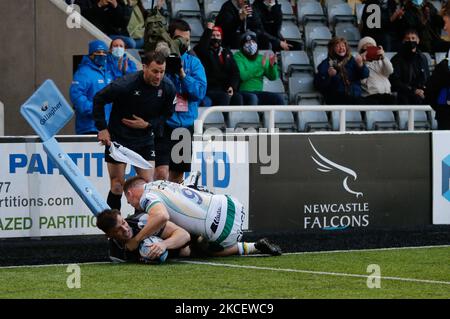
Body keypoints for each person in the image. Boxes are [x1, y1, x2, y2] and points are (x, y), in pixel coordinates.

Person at [115, 176, 282, 257]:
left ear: (130, 193)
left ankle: (250, 247)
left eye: (128, 200)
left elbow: (161, 216)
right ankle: (256, 245)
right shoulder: (160, 183)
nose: (130, 204)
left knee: (198, 249)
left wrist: (136, 240)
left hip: (220, 227)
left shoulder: (146, 196)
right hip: (231, 204)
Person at [93, 51, 177, 211]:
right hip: (119, 140)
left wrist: (147, 124)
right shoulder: (125, 84)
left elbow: (168, 114)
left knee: (148, 186)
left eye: (162, 71)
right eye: (154, 71)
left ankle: (142, 225)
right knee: (117, 185)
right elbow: (98, 99)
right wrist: (102, 128)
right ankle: (114, 228)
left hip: (144, 140)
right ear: (144, 67)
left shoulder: (168, 87)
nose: (158, 76)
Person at [153, 19, 207, 183]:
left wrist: (182, 74)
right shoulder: (159, 63)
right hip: (163, 124)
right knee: (161, 174)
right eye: (180, 40)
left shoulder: (194, 63)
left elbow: (199, 92)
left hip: (184, 127)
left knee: (177, 176)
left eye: (187, 40)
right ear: (170, 39)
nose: (184, 43)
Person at [96, 208, 191, 262]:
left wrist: (163, 245)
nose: (125, 229)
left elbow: (184, 235)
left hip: (191, 248)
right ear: (110, 235)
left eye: (123, 222)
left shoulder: (143, 221)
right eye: (118, 230)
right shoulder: (116, 253)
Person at [194, 22, 243, 107]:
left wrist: (232, 86)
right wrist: (208, 30)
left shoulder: (226, 52)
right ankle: (222, 120)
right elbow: (201, 47)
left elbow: (235, 72)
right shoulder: (203, 51)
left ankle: (236, 120)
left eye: (218, 35)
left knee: (238, 97)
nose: (215, 38)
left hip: (224, 88)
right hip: (209, 88)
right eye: (212, 35)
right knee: (224, 97)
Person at [70, 40, 114, 135]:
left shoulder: (107, 73)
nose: (101, 55)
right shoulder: (83, 72)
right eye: (98, 52)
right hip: (89, 127)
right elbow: (76, 96)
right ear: (91, 54)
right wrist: (95, 111)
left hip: (106, 127)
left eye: (104, 52)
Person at [233, 31, 285, 106]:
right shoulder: (238, 56)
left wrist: (272, 66)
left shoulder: (261, 58)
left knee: (278, 98)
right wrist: (260, 66)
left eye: (253, 41)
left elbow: (273, 77)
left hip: (258, 92)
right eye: (247, 42)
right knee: (253, 98)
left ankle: (279, 118)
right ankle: (253, 118)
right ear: (242, 45)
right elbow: (243, 76)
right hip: (243, 92)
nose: (251, 44)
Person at [314, 37, 369, 105]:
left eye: (343, 46)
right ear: (332, 49)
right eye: (337, 46)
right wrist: (329, 76)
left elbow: (365, 75)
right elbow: (318, 85)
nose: (341, 48)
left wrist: (361, 65)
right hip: (336, 99)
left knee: (377, 101)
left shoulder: (352, 60)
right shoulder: (326, 64)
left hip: (354, 96)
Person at [389, 29, 430, 105]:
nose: (411, 41)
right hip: (404, 93)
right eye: (408, 39)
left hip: (421, 92)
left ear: (418, 40)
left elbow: (426, 78)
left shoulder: (423, 58)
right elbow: (395, 81)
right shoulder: (396, 59)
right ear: (403, 41)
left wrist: (423, 90)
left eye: (413, 38)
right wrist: (413, 90)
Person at [357, 37, 396, 105]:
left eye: (371, 46)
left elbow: (390, 71)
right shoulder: (358, 62)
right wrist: (363, 62)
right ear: (361, 50)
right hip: (371, 96)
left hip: (386, 93)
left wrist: (383, 57)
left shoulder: (381, 61)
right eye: (366, 46)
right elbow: (362, 81)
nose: (369, 48)